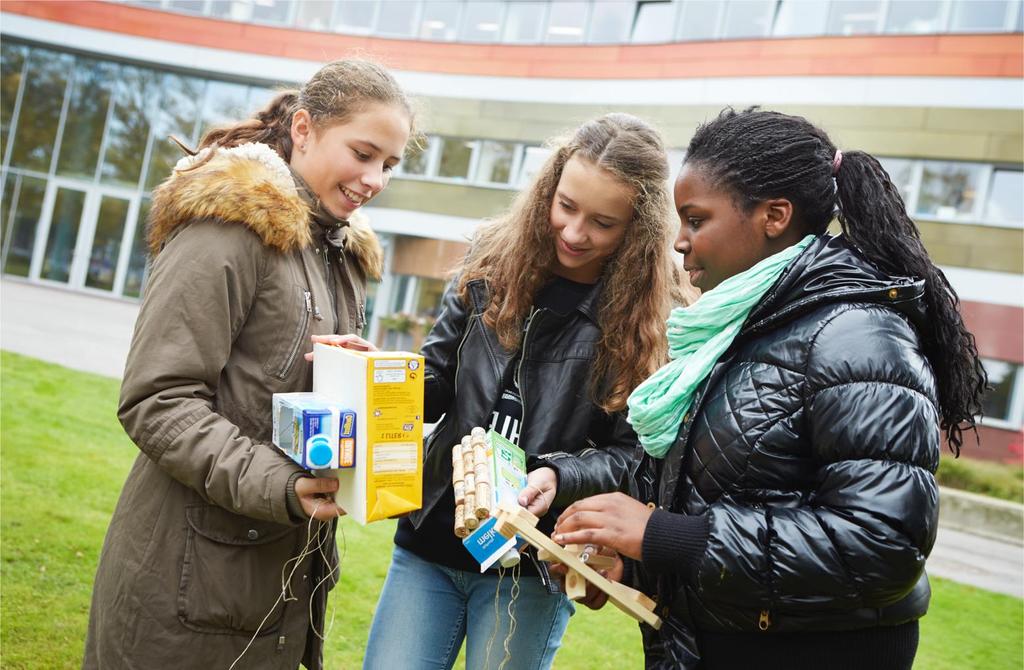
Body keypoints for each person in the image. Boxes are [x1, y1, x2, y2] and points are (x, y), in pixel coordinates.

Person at [553, 108, 987, 670]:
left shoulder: (856, 337)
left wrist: (661, 536)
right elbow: (731, 495)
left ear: (773, 216)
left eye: (695, 219)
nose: (678, 242)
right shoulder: (745, 326)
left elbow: (881, 546)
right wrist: (632, 562)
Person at [83, 59, 414, 669]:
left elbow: (278, 393)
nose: (374, 179)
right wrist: (282, 485)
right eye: (363, 153)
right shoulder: (228, 228)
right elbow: (158, 401)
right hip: (188, 581)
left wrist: (356, 386)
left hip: (281, 582)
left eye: (389, 165)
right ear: (305, 128)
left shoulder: (335, 251)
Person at [363, 113, 681, 670]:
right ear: (548, 190)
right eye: (566, 206)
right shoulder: (492, 258)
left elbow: (633, 457)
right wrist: (377, 377)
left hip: (533, 561)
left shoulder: (649, 319)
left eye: (604, 223)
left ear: (638, 228)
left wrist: (559, 475)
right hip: (433, 540)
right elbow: (437, 380)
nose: (575, 232)